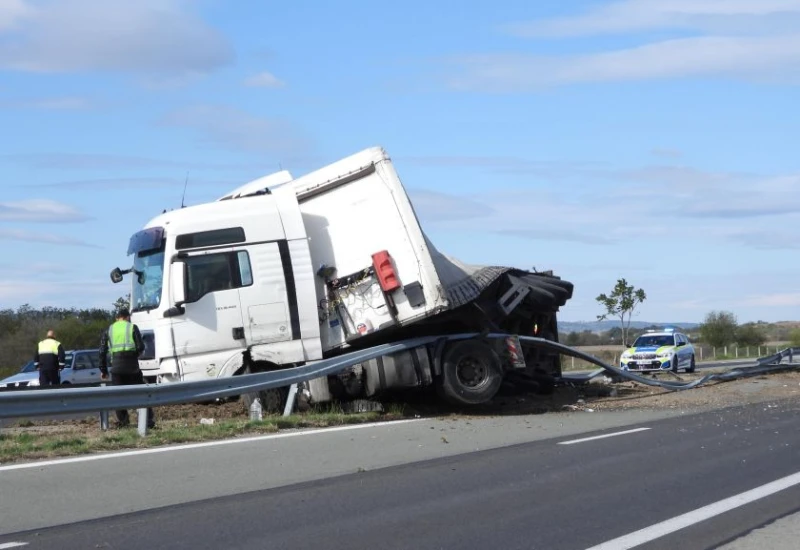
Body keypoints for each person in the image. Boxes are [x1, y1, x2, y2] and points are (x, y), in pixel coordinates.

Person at [99, 308, 155, 429]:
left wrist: (103, 370)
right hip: (132, 366)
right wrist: (134, 356)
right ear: (127, 317)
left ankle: (124, 421)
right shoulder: (132, 327)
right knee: (141, 393)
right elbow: (140, 346)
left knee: (118, 396)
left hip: (117, 367)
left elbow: (102, 351)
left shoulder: (109, 329)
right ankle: (148, 420)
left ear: (117, 318)